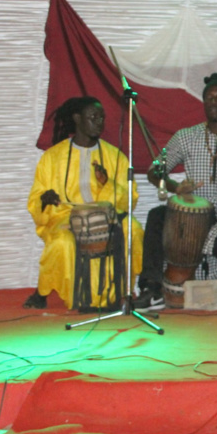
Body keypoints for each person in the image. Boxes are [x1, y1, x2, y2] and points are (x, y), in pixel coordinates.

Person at [134, 73, 217, 310]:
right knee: (157, 216)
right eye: (208, 98)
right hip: (192, 212)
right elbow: (155, 171)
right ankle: (151, 288)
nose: (213, 102)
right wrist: (176, 188)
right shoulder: (186, 137)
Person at [26, 97, 144, 310]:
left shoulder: (114, 156)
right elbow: (37, 195)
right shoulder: (52, 157)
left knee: (133, 230)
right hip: (66, 215)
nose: (99, 122)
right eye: (93, 117)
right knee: (62, 243)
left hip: (106, 215)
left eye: (101, 118)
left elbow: (130, 198)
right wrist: (45, 199)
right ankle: (43, 291)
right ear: (77, 119)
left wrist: (107, 184)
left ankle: (124, 291)